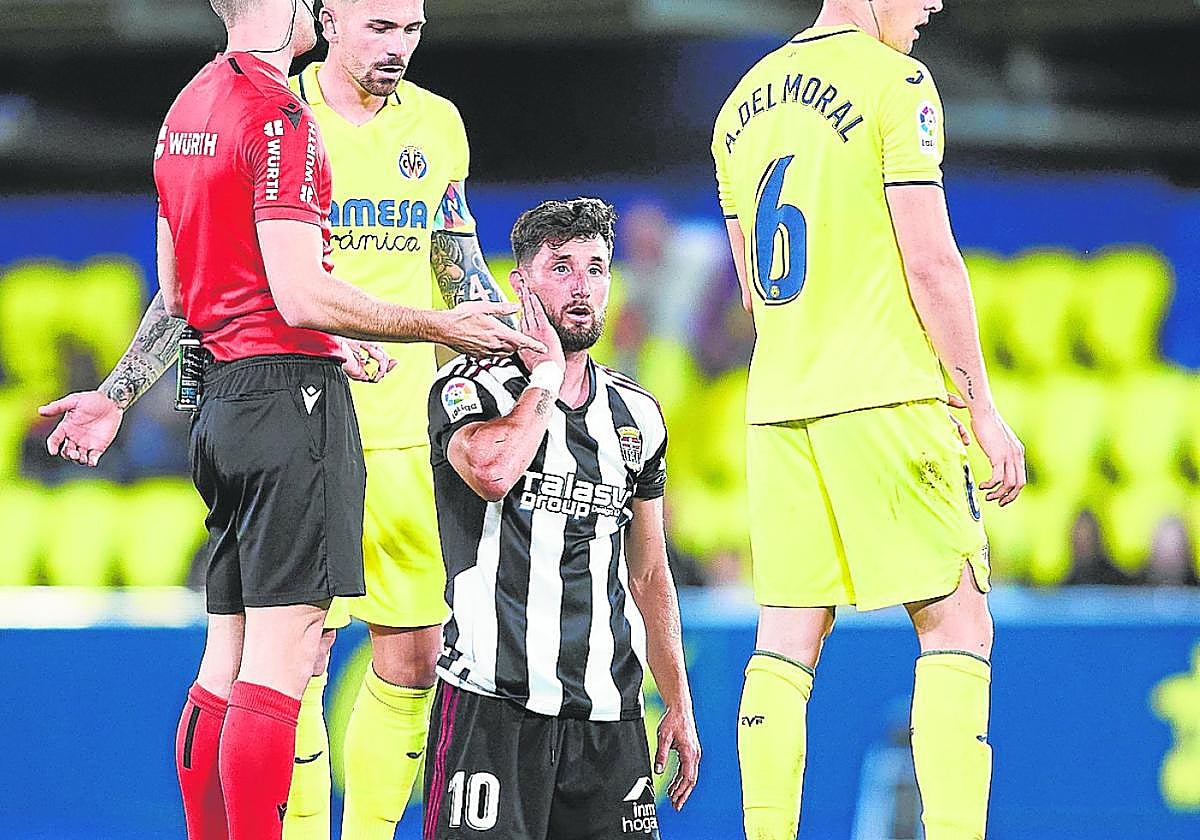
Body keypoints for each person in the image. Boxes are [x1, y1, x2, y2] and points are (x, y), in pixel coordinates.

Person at [40, 1, 538, 839]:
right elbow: (245, 286)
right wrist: (127, 390)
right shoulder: (278, 114)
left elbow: (454, 260)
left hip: (406, 436)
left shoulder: (432, 125)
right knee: (291, 665)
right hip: (308, 410)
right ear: (328, 17)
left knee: (406, 660)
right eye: (379, 27)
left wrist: (515, 341)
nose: (398, 47)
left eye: (412, 29)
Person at [711, 2, 1026, 839]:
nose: (932, 6)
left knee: (785, 634)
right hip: (885, 392)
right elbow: (929, 260)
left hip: (778, 401)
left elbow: (751, 289)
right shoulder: (899, 84)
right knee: (957, 617)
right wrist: (981, 409)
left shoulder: (738, 103)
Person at [423, 198, 700, 839]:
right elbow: (492, 472)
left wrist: (679, 705)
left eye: (596, 268)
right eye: (561, 267)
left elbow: (651, 574)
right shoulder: (468, 388)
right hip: (493, 707)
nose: (582, 286)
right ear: (521, 283)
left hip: (609, 719)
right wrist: (544, 377)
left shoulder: (637, 417)